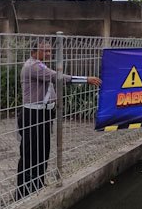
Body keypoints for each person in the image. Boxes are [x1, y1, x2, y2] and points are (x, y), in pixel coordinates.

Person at [17, 40, 101, 199]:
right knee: (30, 154)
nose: (49, 54)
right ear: (34, 51)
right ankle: (24, 192)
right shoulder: (33, 66)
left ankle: (37, 187)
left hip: (44, 114)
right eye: (45, 51)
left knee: (42, 152)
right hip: (33, 115)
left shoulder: (40, 65)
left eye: (50, 51)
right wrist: (85, 79)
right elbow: (58, 77)